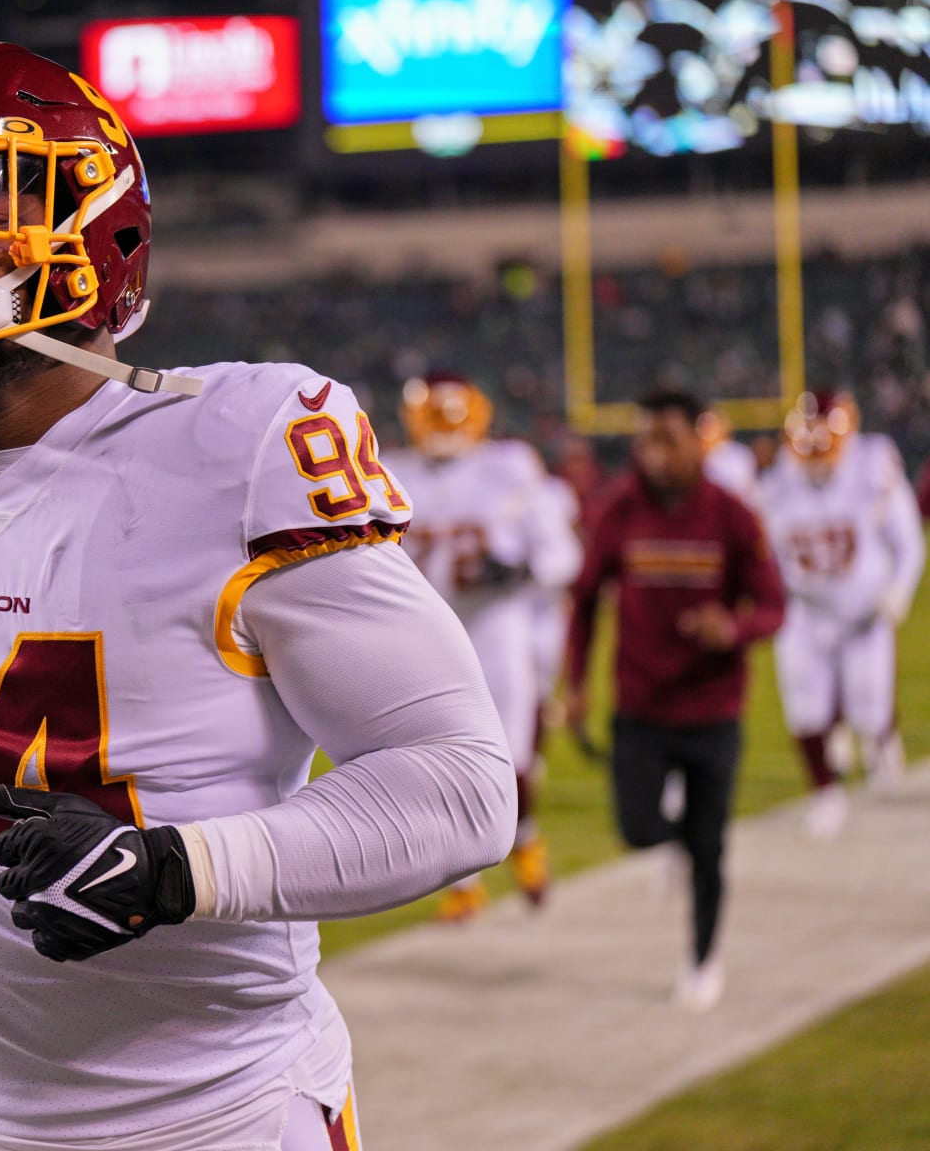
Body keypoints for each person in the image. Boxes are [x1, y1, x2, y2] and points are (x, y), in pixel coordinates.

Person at [0, 42, 516, 1151]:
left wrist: (182, 868)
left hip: (208, 1115)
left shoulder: (239, 447)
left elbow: (463, 789)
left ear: (103, 236)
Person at [565, 389, 785, 1011]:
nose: (653, 453)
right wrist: (577, 684)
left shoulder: (734, 514)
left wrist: (733, 628)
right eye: (645, 440)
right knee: (637, 829)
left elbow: (773, 606)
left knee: (711, 848)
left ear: (700, 439)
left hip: (713, 707)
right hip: (641, 703)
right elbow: (584, 597)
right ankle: (678, 843)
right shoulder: (621, 508)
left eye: (666, 438)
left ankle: (703, 959)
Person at [389, 373, 582, 919]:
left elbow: (563, 555)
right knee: (441, 755)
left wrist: (522, 567)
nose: (443, 430)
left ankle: (525, 838)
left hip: (500, 623)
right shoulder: (391, 472)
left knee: (514, 753)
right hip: (429, 628)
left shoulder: (509, 467)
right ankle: (465, 878)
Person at [756, 389, 923, 838]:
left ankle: (879, 736)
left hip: (861, 610)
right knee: (805, 710)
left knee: (869, 702)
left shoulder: (871, 468)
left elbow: (907, 541)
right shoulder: (775, 487)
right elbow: (762, 558)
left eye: (824, 445)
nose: (815, 458)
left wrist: (897, 594)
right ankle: (825, 793)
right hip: (804, 612)